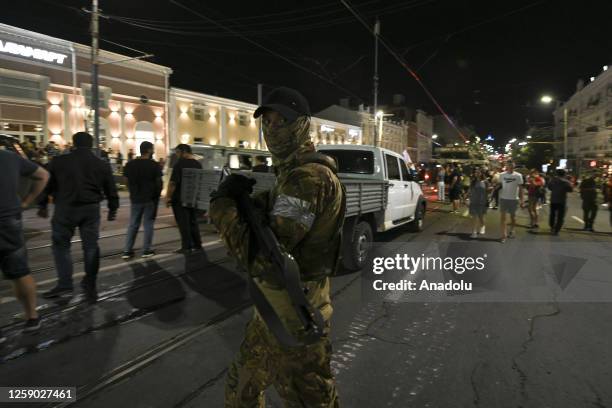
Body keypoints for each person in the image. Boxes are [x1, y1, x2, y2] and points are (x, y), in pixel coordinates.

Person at [210, 87, 343, 407]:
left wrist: (224, 209)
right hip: (277, 306)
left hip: (297, 310)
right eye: (266, 121)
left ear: (301, 125)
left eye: (280, 120)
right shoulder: (292, 174)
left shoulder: (307, 180)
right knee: (242, 386)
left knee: (306, 397)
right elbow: (270, 222)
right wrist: (247, 202)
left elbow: (262, 257)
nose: (271, 128)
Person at [38, 132, 119, 301]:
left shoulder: (58, 162)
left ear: (73, 144)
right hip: (90, 209)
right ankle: (90, 283)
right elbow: (111, 188)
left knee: (61, 247)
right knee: (90, 247)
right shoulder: (101, 164)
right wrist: (113, 208)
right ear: (92, 144)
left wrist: (43, 204)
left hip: (64, 209)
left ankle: (65, 285)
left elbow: (47, 184)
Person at [0, 150, 49, 332]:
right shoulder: (9, 156)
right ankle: (32, 317)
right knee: (20, 272)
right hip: (9, 220)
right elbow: (43, 175)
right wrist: (27, 201)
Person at [122, 141, 163, 259]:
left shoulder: (130, 164)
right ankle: (146, 250)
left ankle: (127, 250)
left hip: (135, 199)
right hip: (149, 199)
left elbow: (125, 180)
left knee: (133, 224)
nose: (153, 151)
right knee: (148, 224)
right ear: (149, 150)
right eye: (153, 149)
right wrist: (157, 195)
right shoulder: (154, 165)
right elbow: (159, 182)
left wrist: (132, 191)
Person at [165, 144, 202, 253]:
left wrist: (168, 197)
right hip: (193, 198)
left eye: (178, 153)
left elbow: (172, 183)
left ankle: (186, 246)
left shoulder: (179, 164)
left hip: (180, 199)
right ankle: (197, 244)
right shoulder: (198, 164)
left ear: (184, 152)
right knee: (193, 221)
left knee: (183, 223)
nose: (177, 155)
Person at [498, 161, 524, 242]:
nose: (510, 167)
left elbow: (521, 188)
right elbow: (499, 185)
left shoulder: (518, 175)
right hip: (503, 198)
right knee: (503, 218)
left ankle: (512, 230)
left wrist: (521, 199)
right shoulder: (502, 175)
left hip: (514, 199)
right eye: (509, 166)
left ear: (514, 166)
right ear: (506, 166)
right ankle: (503, 235)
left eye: (512, 166)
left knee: (513, 217)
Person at [547, 169, 573, 236]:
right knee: (560, 216)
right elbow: (570, 190)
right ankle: (557, 230)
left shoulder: (552, 180)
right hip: (562, 200)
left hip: (553, 199)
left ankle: (552, 227)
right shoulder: (566, 182)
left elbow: (549, 187)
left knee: (552, 214)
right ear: (564, 174)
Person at [468, 167, 489, 238]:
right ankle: (474, 232)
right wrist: (466, 198)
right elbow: (470, 190)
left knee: (481, 216)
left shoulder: (485, 181)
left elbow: (488, 191)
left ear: (481, 173)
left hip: (482, 201)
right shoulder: (473, 181)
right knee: (474, 216)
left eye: (478, 172)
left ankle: (482, 226)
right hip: (474, 200)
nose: (477, 173)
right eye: (476, 172)